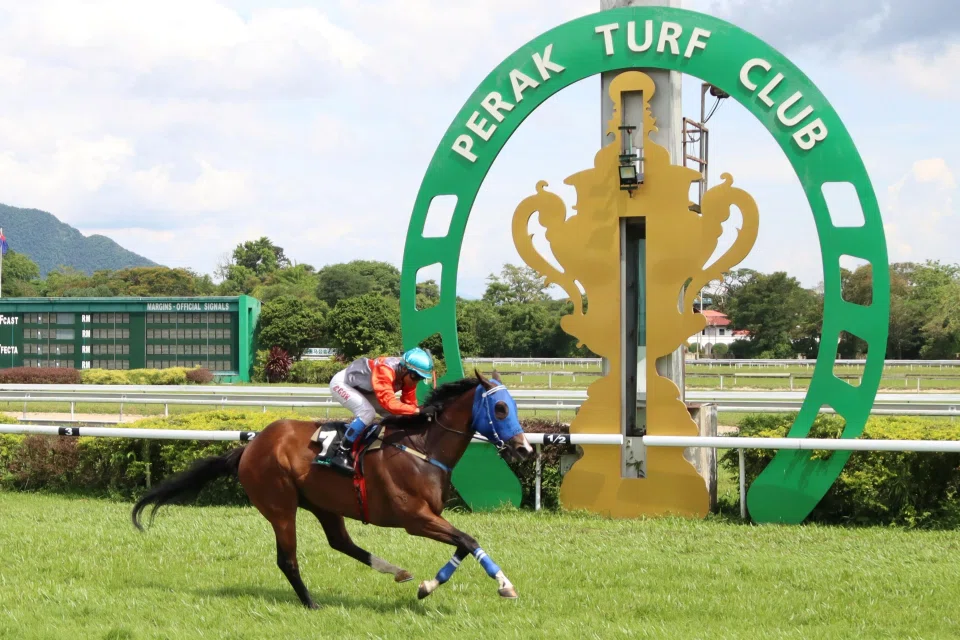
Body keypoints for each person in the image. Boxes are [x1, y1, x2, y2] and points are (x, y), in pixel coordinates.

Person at [316, 347, 435, 474]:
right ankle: (341, 453)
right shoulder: (385, 370)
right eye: (415, 377)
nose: (416, 381)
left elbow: (409, 404)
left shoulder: (408, 376)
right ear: (405, 368)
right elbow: (389, 403)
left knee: (399, 416)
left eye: (420, 378)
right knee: (367, 413)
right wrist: (417, 411)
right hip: (343, 384)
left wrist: (420, 414)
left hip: (368, 390)